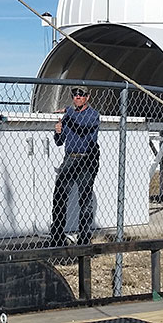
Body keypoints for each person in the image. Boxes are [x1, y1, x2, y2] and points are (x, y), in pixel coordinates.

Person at [49, 85, 100, 246]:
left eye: (81, 94)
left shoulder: (93, 115)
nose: (77, 97)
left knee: (85, 200)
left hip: (87, 160)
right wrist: (58, 132)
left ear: (87, 97)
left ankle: (84, 238)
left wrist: (67, 111)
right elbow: (59, 142)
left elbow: (82, 127)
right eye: (74, 94)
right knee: (59, 197)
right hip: (70, 159)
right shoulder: (68, 116)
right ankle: (57, 236)